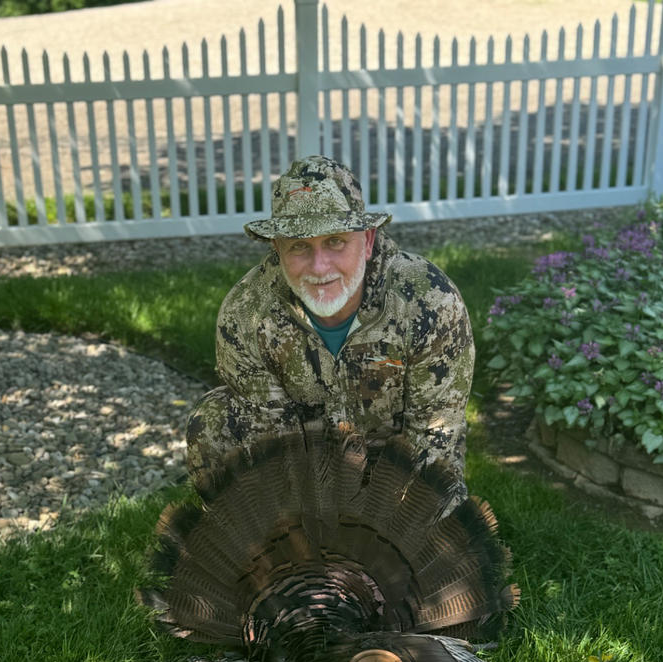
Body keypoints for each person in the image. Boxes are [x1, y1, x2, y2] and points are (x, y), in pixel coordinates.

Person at [185, 155, 474, 510]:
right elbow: (271, 442)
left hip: (396, 464)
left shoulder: (429, 302)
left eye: (335, 241)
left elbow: (434, 436)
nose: (319, 267)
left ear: (367, 241)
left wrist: (389, 534)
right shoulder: (246, 314)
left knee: (431, 540)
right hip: (305, 463)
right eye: (300, 246)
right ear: (277, 249)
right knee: (212, 423)